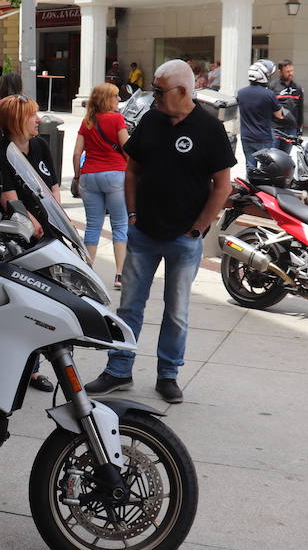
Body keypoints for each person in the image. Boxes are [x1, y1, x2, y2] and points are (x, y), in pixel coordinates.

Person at [86, 60, 235, 404]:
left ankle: (168, 375)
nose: (154, 97)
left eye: (159, 90)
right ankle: (118, 370)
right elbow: (131, 170)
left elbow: (222, 186)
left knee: (176, 311)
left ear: (183, 91)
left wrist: (198, 229)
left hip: (184, 240)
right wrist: (133, 214)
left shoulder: (209, 129)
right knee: (129, 308)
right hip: (144, 235)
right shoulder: (151, 120)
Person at [0, 94, 61, 393]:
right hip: (17, 239)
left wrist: (59, 222)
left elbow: (53, 186)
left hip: (48, 236)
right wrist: (33, 223)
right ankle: (19, 368)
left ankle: (32, 367)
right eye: (33, 115)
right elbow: (9, 200)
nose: (38, 119)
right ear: (18, 119)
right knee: (21, 305)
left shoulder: (40, 145)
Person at [71, 83, 129, 287]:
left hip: (89, 177)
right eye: (115, 96)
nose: (119, 100)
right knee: (120, 225)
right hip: (115, 175)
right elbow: (127, 147)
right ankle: (120, 275)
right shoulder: (116, 119)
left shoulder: (87, 121)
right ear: (106, 99)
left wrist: (78, 177)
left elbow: (77, 153)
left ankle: (87, 272)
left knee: (93, 225)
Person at [237, 60, 285, 171]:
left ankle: (250, 187)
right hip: (263, 137)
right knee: (266, 169)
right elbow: (280, 115)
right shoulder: (269, 94)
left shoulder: (241, 93)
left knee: (250, 166)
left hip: (246, 136)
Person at [275, 60, 304, 145]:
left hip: (291, 129)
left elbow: (300, 109)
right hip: (275, 129)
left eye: (292, 71)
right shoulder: (272, 86)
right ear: (280, 72)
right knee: (273, 156)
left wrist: (300, 129)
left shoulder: (298, 88)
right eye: (287, 71)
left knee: (286, 157)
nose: (290, 73)